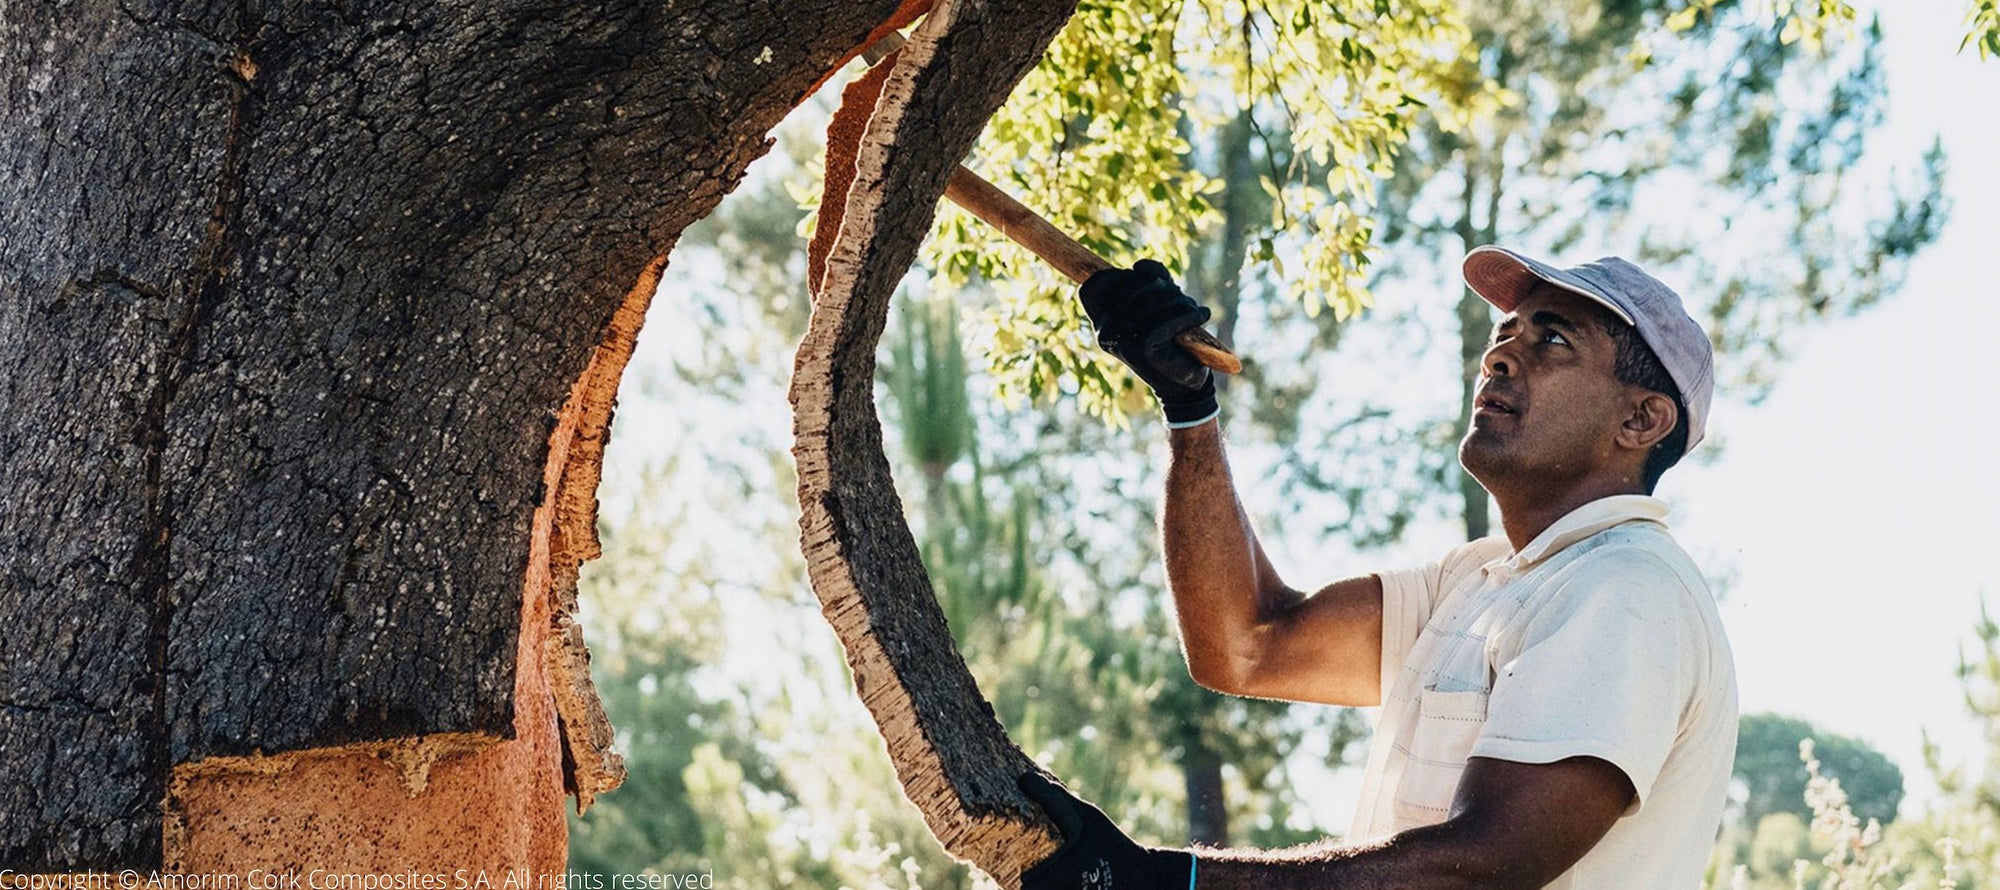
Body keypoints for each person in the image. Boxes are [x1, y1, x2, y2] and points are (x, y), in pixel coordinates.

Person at [1016, 247, 1738, 889]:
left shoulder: (1628, 589)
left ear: (1642, 422)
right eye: (1505, 334)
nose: (1502, 356)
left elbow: (1485, 868)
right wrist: (1189, 408)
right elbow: (1247, 646)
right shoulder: (1481, 581)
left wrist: (1177, 882)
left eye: (1552, 339)